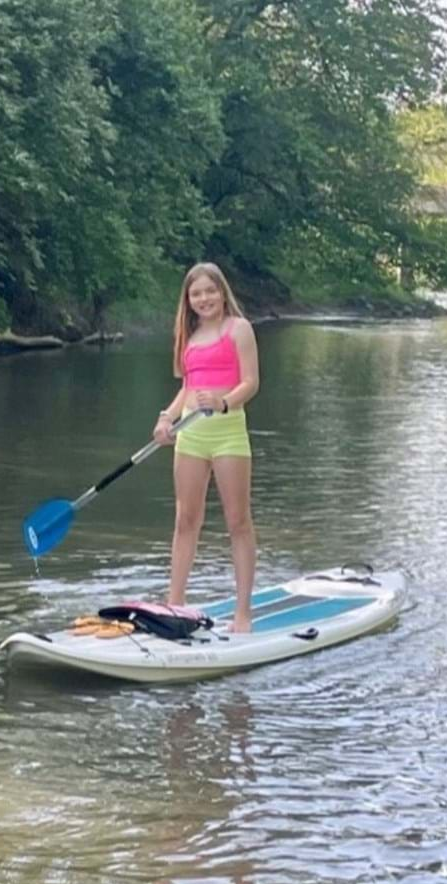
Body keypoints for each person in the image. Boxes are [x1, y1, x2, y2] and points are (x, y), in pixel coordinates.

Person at [151, 262, 259, 632]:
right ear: (188, 299)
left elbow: (251, 382)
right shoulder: (189, 335)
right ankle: (174, 605)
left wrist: (224, 401)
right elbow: (187, 388)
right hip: (190, 436)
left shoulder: (238, 329)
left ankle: (243, 613)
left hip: (228, 432)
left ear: (221, 291)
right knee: (185, 520)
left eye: (209, 291)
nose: (204, 299)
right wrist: (166, 418)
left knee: (238, 521)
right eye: (196, 294)